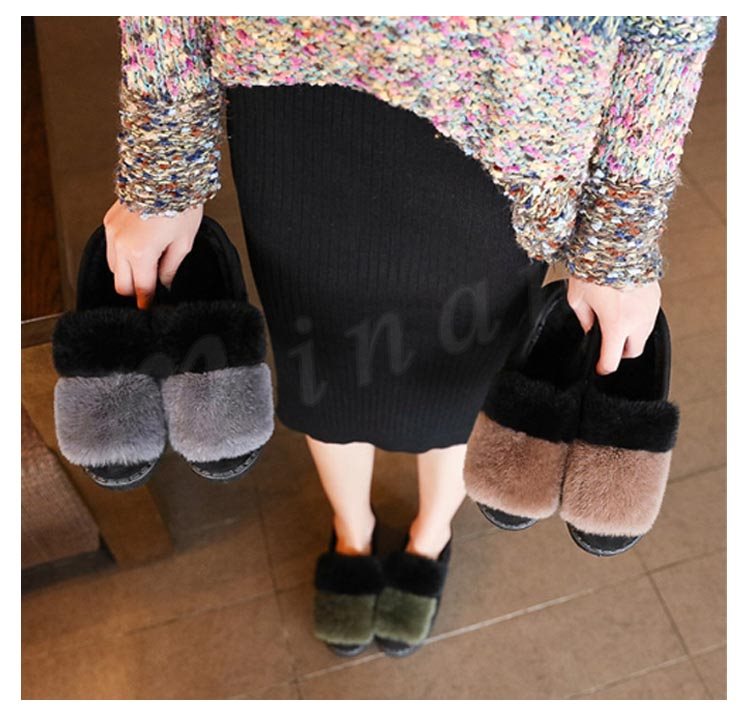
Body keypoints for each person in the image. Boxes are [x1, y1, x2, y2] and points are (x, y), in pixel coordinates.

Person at [103, 16, 719, 651]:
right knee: (324, 372)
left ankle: (430, 535)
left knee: (463, 388)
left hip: (509, 111)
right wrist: (162, 164)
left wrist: (621, 240)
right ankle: (352, 530)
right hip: (299, 94)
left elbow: (669, 26)